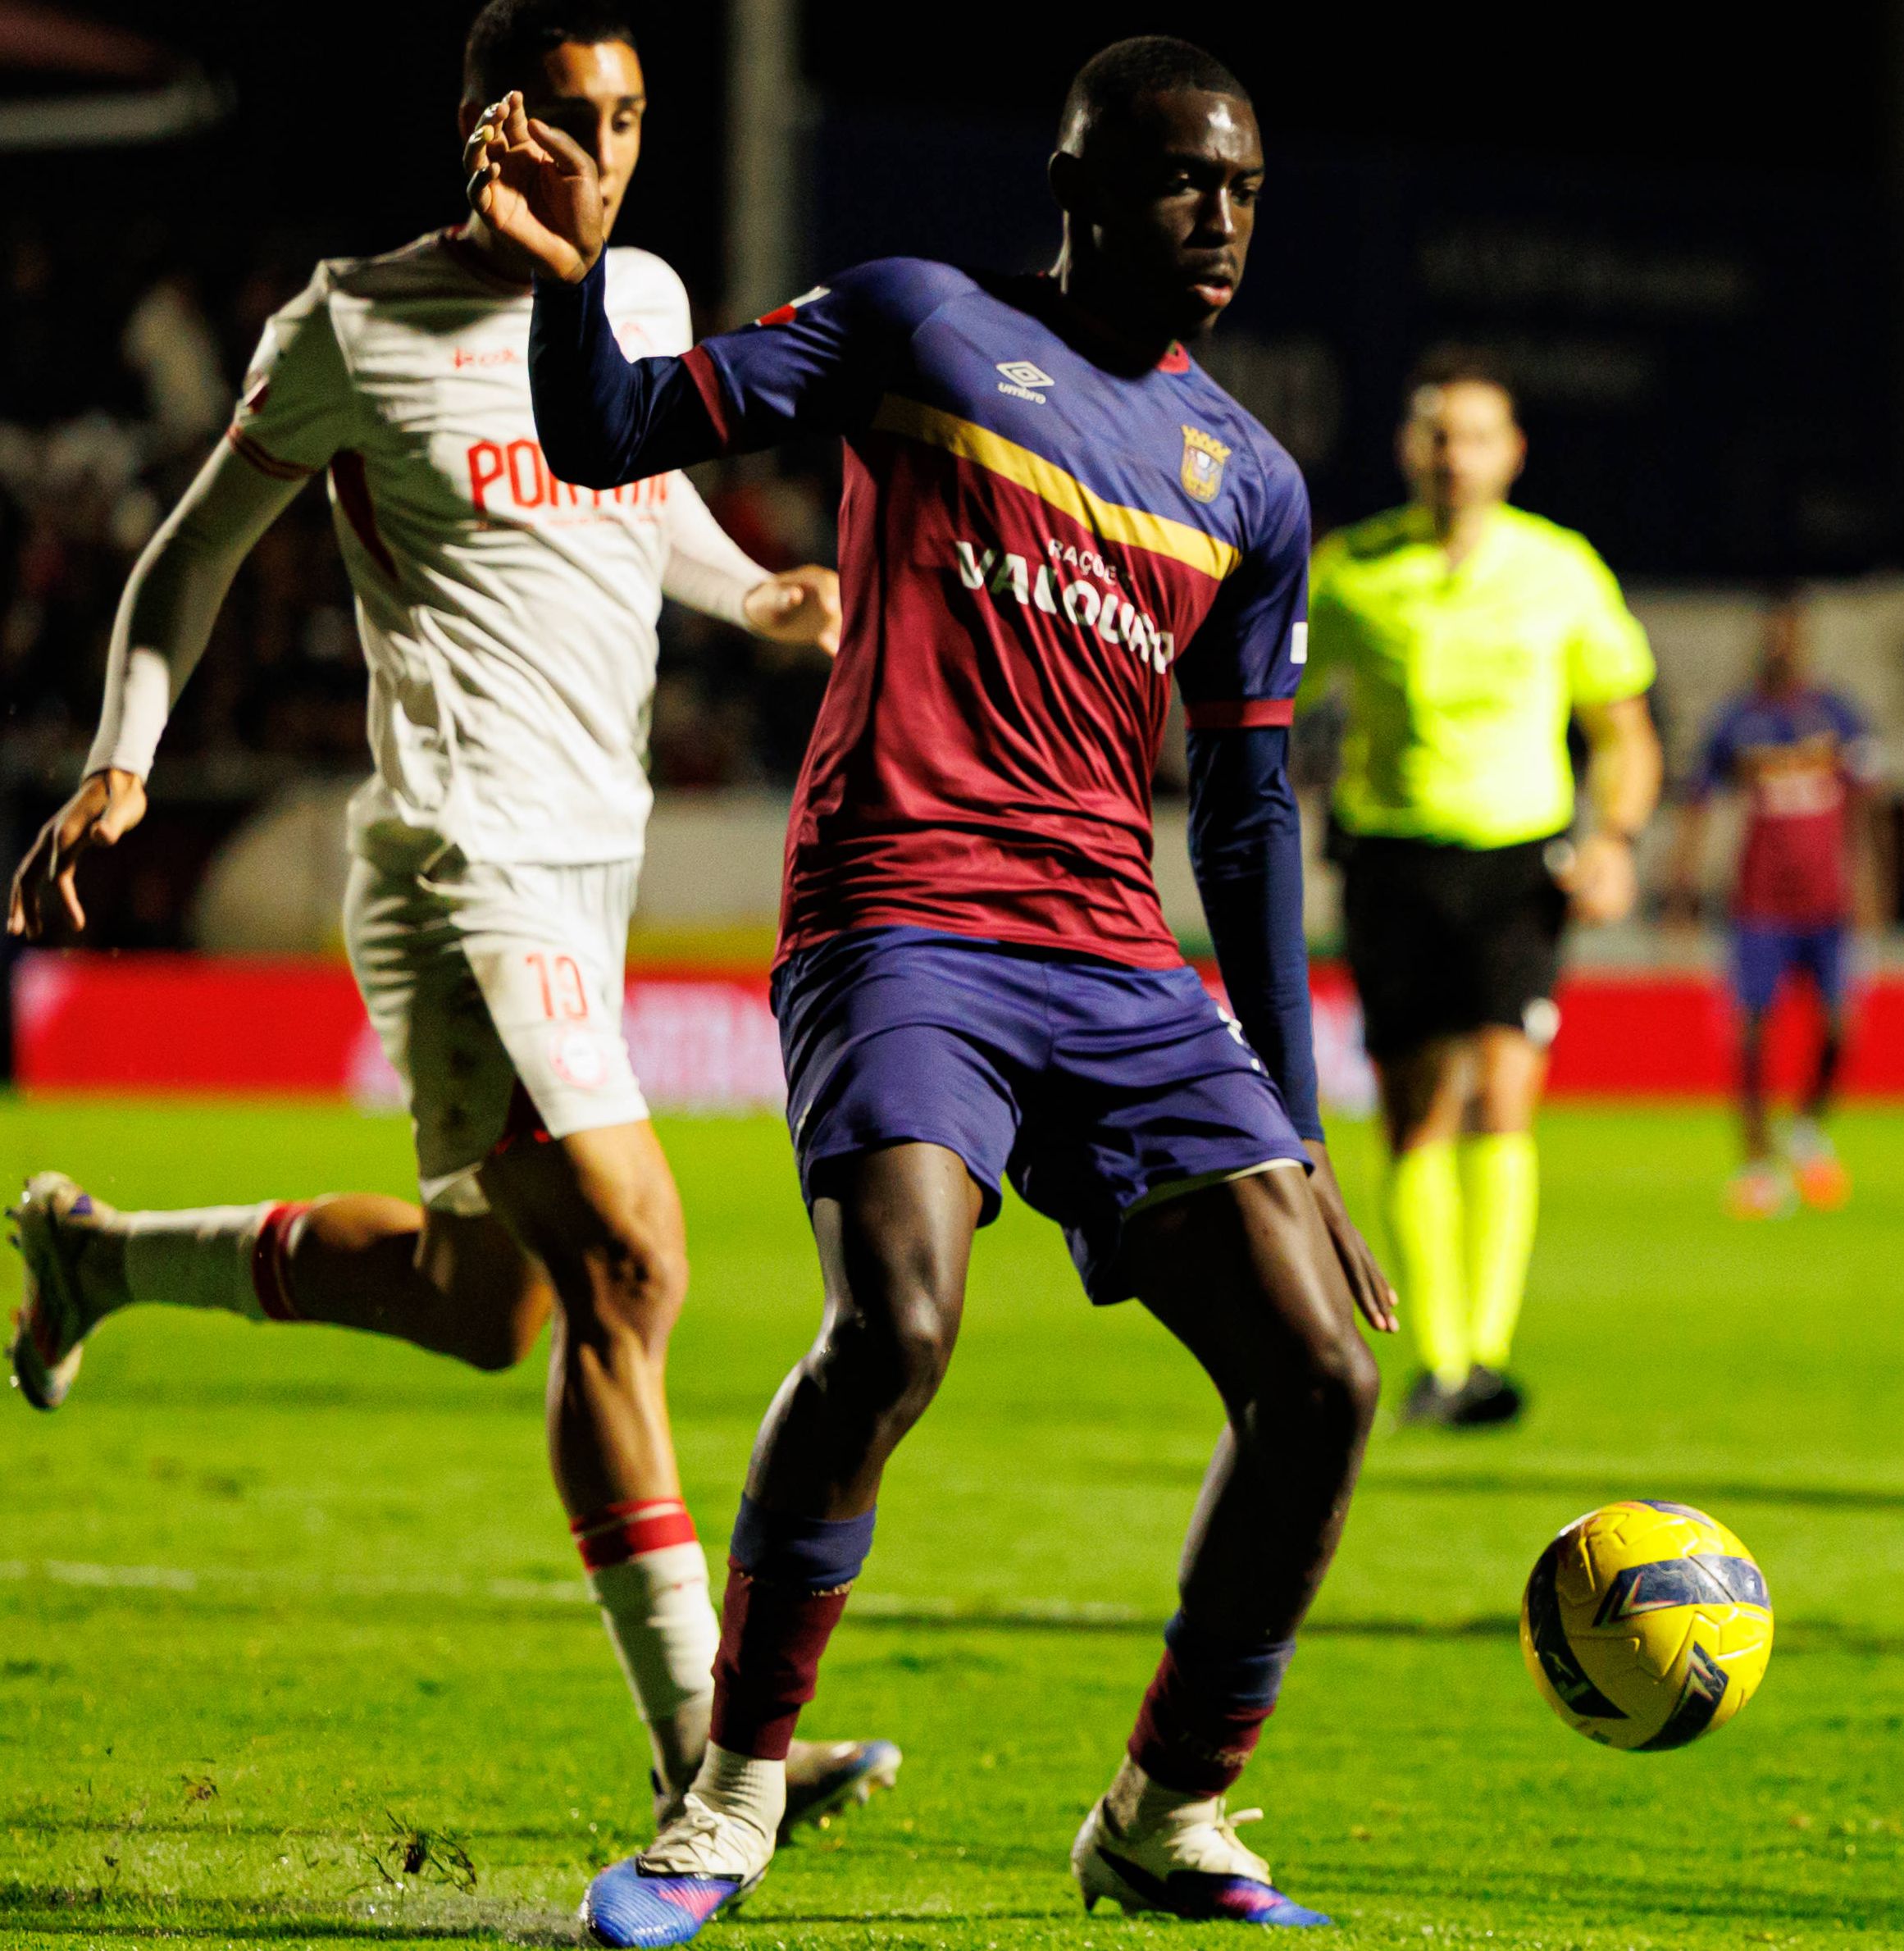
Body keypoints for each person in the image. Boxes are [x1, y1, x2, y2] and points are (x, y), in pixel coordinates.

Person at [475, 32, 1401, 1940]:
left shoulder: (1251, 479)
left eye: (1240, 187)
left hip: (1113, 959)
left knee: (1318, 1373)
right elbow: (611, 432)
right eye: (1177, 181)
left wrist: (1294, 1128)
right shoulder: (917, 324)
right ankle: (724, 1790)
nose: (1218, 219)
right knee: (893, 1325)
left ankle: (1165, 1809)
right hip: (901, 915)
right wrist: (568, 285)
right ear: (1074, 189)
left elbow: (1245, 814)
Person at [3, 0, 897, 1842]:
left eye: (636, 115)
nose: (613, 151)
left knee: (484, 1304)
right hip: (452, 857)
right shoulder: (349, 323)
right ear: (499, 126)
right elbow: (189, 557)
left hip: (587, 857)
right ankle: (711, 1761)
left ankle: (98, 1257)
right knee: (633, 1265)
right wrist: (123, 755)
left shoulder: (637, 304)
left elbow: (641, 499)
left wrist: (757, 595)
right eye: (579, 116)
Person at [1305, 353, 1660, 1429]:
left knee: (1506, 1085)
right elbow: (1254, 692)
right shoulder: (1348, 570)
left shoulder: (1561, 570)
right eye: (1435, 434)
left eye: (1473, 435)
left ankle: (1485, 1356)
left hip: (1518, 858)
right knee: (1416, 1108)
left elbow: (1622, 729)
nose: (1453, 456)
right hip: (1394, 856)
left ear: (1511, 452)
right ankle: (1441, 1353)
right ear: (1411, 450)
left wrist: (1616, 837)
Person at [1665, 596, 1884, 1219]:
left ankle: (1807, 1126)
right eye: (1773, 638)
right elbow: (1697, 807)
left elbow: (1867, 805)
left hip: (1827, 902)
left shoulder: (1836, 715)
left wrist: (1872, 888)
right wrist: (1681, 890)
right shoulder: (1736, 721)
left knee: (1842, 1024)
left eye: (1791, 637)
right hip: (1759, 902)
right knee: (1752, 1032)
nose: (1781, 648)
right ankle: (1757, 1165)